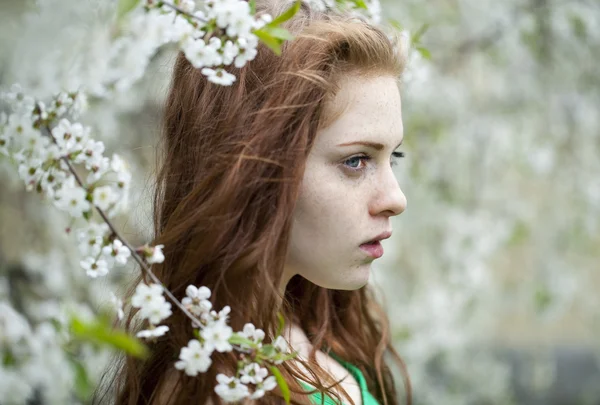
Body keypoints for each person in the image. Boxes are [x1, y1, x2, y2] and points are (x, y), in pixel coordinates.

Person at [109, 0, 411, 404]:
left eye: (394, 158)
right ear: (255, 168)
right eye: (356, 161)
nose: (396, 198)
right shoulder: (217, 387)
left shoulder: (311, 330)